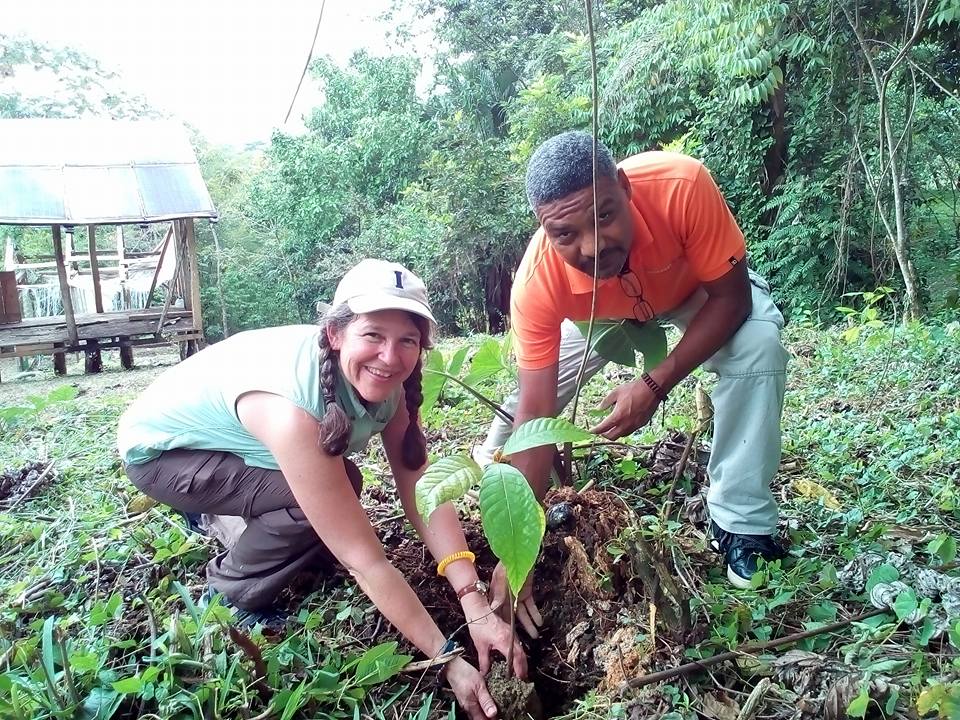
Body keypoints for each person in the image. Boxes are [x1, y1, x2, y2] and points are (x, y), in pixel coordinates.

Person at [118, 259, 524, 720]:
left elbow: (420, 490)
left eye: (406, 340)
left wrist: (473, 603)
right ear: (335, 334)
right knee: (324, 501)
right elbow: (365, 559)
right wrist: (447, 657)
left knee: (340, 486)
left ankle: (227, 511)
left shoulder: (393, 384)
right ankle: (230, 587)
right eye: (372, 335)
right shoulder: (293, 409)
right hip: (164, 456)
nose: (389, 357)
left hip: (230, 438)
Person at [486, 131, 790, 631]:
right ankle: (493, 477)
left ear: (625, 188)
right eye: (564, 234)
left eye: (603, 216)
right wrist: (513, 554)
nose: (592, 246)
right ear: (544, 229)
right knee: (519, 416)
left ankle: (742, 524)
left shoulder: (681, 184)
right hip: (594, 315)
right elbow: (537, 414)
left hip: (695, 292)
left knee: (757, 345)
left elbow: (732, 299)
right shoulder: (539, 281)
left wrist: (654, 383)